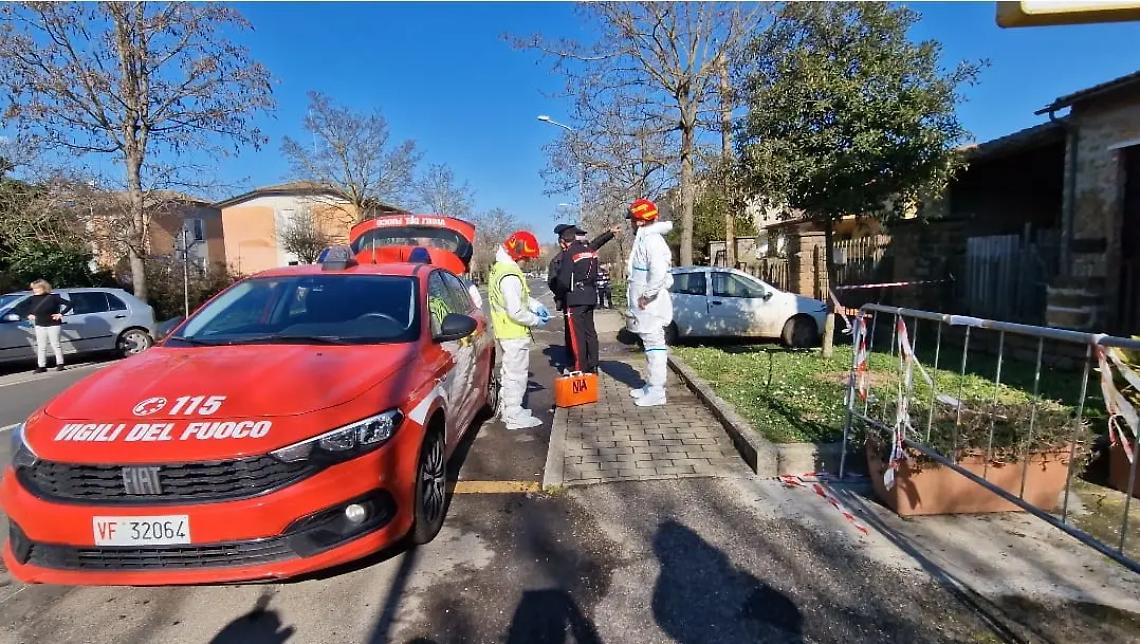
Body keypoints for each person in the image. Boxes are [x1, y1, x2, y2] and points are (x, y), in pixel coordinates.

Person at [488, 230, 550, 430]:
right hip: (513, 332)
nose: (528, 263)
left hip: (507, 332)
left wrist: (535, 304)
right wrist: (535, 321)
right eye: (527, 259)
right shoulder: (509, 275)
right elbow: (515, 310)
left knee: (509, 374)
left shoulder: (501, 268)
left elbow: (520, 297)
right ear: (518, 255)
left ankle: (509, 409)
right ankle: (514, 415)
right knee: (517, 375)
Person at [625, 199, 674, 407]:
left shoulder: (652, 241)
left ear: (639, 221)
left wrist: (647, 296)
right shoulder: (646, 239)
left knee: (655, 346)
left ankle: (657, 390)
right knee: (649, 345)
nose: (630, 224)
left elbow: (659, 274)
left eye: (632, 220)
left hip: (651, 306)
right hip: (645, 305)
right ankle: (651, 384)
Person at [553, 224, 619, 374]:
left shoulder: (570, 253)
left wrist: (559, 296)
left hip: (575, 297)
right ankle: (593, 365)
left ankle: (578, 367)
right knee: (590, 332)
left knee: (577, 335)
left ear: (563, 240)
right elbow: (597, 243)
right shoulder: (589, 250)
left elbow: (563, 280)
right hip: (590, 295)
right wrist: (610, 233)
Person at [25, 279, 72, 374]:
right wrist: (28, 314)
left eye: (37, 288)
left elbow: (70, 304)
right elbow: (19, 307)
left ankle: (60, 364)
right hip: (40, 324)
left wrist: (60, 314)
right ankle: (41, 366)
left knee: (56, 344)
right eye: (34, 288)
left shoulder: (53, 297)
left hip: (53, 324)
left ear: (44, 288)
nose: (35, 290)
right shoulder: (32, 298)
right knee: (41, 346)